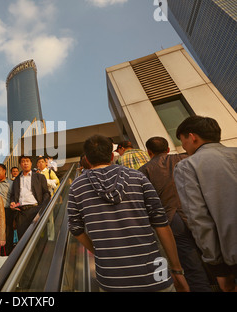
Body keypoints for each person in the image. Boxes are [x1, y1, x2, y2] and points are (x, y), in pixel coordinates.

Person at [68, 134, 189, 292]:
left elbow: (75, 228)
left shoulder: (76, 187)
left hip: (112, 281)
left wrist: (98, 251)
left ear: (88, 160)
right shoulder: (138, 176)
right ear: (112, 156)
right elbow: (161, 223)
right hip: (155, 275)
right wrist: (176, 269)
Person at [139, 136, 212, 291]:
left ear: (149, 152)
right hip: (199, 213)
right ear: (167, 149)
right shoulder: (186, 158)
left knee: (191, 264)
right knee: (214, 255)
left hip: (172, 220)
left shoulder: (144, 171)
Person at [173, 116, 237, 292]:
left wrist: (218, 268)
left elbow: (199, 220)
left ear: (192, 137)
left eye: (183, 141)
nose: (184, 147)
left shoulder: (187, 166)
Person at [10, 156, 51, 239]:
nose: (25, 163)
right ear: (20, 164)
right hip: (21, 213)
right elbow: (13, 195)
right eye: (23, 161)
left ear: (31, 163)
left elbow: (46, 194)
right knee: (22, 240)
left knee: (39, 239)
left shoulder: (39, 177)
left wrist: (41, 210)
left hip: (36, 210)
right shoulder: (16, 180)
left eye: (27, 161)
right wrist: (12, 202)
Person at [0, 164, 14, 255]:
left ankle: (8, 255)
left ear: (4, 171)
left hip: (7, 211)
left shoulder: (11, 183)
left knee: (8, 234)